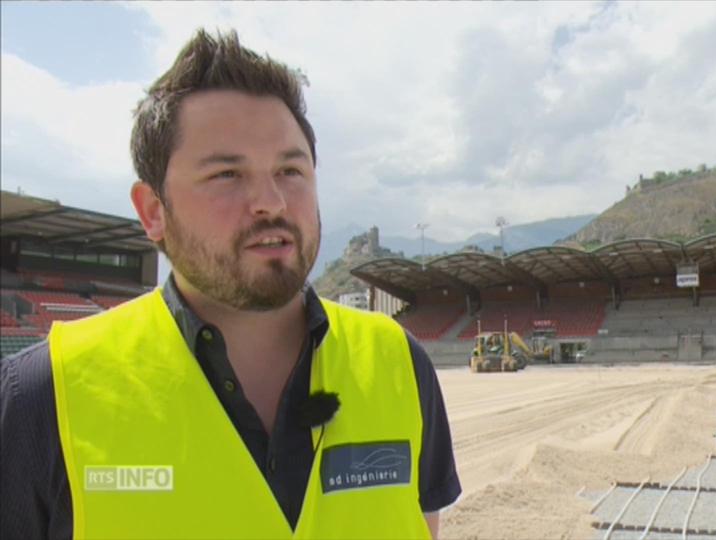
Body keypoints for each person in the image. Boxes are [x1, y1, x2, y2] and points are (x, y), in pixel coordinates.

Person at [0, 29, 460, 539]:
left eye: (290, 169)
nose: (272, 202)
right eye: (227, 174)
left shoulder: (399, 363)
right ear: (153, 212)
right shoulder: (41, 397)